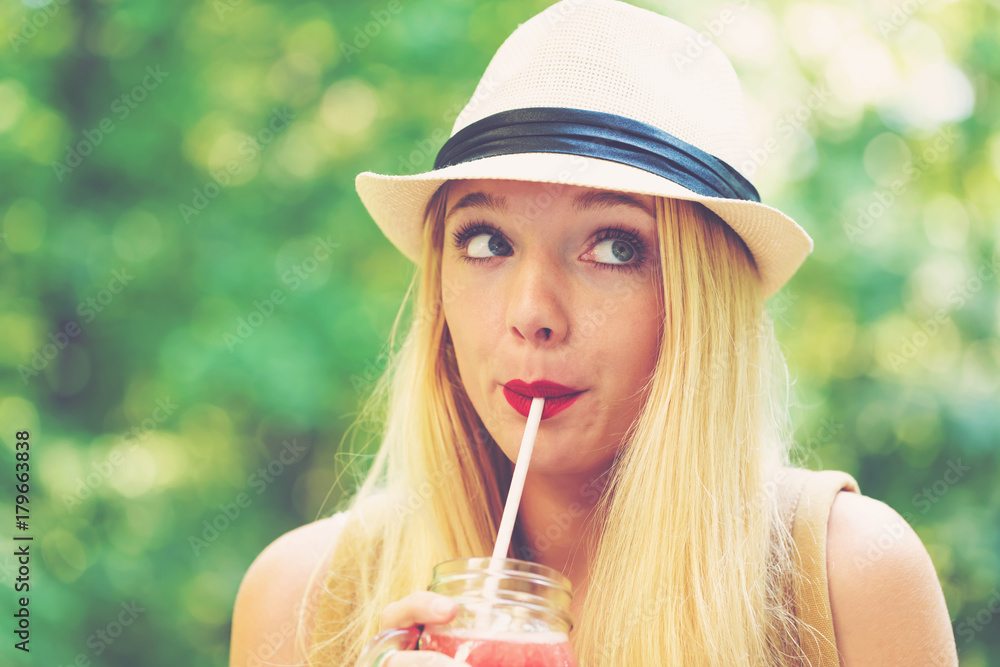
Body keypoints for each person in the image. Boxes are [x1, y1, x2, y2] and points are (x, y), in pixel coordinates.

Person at [229, 1, 958, 665]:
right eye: (486, 240)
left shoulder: (848, 581)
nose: (533, 312)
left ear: (702, 303)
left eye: (613, 246)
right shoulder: (299, 598)